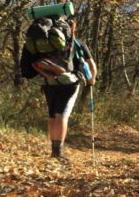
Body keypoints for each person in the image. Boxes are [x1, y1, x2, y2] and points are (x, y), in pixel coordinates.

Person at [22, 16, 97, 162]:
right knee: (62, 115)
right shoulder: (76, 42)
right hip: (69, 82)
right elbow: (91, 64)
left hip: (48, 81)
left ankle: (54, 150)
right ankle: (59, 152)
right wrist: (91, 80)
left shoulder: (41, 42)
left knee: (52, 115)